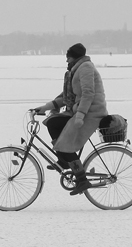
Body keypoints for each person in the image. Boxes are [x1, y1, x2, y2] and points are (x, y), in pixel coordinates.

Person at [30, 43, 108, 196]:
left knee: (66, 143)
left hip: (90, 114)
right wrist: (44, 108)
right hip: (80, 111)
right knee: (52, 122)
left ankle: (81, 179)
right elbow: (66, 97)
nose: (66, 62)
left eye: (67, 59)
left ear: (73, 58)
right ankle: (64, 160)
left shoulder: (85, 68)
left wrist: (79, 116)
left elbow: (88, 94)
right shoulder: (77, 70)